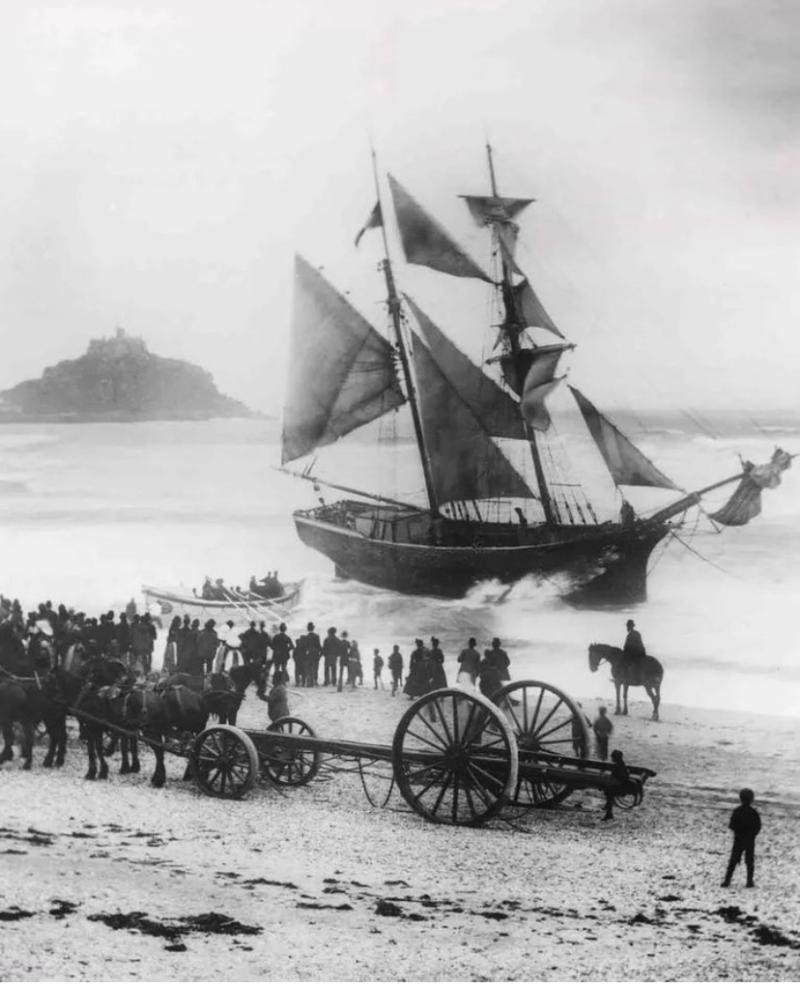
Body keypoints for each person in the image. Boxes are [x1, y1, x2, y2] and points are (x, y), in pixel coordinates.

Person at [722, 788, 761, 888]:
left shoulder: (737, 811)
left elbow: (732, 825)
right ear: (752, 799)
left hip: (738, 838)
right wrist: (752, 835)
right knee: (749, 861)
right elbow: (757, 827)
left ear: (740, 798)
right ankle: (749, 881)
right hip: (749, 839)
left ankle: (727, 880)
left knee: (733, 860)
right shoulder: (754, 813)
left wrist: (738, 832)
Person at [602, 749, 637, 820]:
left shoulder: (618, 766)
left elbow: (617, 778)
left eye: (612, 757)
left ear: (615, 758)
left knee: (609, 792)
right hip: (622, 785)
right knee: (608, 790)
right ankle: (608, 809)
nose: (612, 759)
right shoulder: (621, 765)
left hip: (620, 787)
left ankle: (609, 813)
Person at [303, 622, 321, 686]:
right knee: (315, 668)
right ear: (313, 628)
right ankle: (315, 681)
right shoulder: (316, 636)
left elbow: (305, 647)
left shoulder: (306, 637)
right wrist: (320, 654)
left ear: (308, 628)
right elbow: (319, 646)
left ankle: (309, 682)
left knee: (309, 668)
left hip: (308, 654)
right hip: (315, 654)